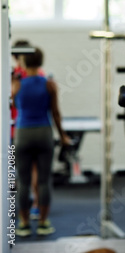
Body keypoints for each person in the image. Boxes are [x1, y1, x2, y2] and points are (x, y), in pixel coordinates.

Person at [12, 47, 71, 237]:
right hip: (44, 133)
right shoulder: (49, 84)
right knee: (44, 181)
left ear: (23, 62)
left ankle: (23, 224)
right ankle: (44, 222)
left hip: (22, 134)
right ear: (40, 62)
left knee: (23, 181)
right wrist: (62, 136)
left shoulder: (16, 85)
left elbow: (11, 104)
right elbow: (55, 113)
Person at [11, 40, 46, 221]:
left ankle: (19, 212)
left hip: (16, 131)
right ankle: (34, 209)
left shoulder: (14, 78)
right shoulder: (40, 75)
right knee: (32, 173)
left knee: (17, 174)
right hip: (19, 129)